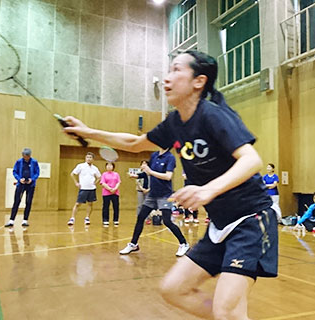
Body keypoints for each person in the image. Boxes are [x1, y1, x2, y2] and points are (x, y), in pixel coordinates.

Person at [61, 50, 277, 319]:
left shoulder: (212, 115)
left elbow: (251, 160)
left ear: (198, 81)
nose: (167, 78)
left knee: (226, 310)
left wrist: (209, 189)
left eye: (176, 70)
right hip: (220, 225)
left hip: (250, 219)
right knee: (174, 290)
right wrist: (87, 131)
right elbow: (134, 143)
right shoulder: (175, 123)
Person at [123, 148, 189, 256]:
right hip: (152, 195)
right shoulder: (154, 155)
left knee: (167, 221)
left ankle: (184, 243)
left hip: (165, 195)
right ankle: (133, 244)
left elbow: (168, 176)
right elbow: (149, 173)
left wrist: (150, 171)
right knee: (141, 217)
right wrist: (138, 175)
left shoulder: (170, 157)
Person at [5, 148, 40, 227]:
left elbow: (37, 172)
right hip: (21, 184)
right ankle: (11, 220)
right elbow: (14, 171)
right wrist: (19, 179)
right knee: (17, 201)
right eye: (24, 156)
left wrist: (32, 179)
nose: (25, 157)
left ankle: (25, 220)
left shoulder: (34, 162)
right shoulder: (19, 162)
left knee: (28, 202)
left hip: (30, 185)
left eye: (26, 156)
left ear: (29, 156)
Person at [68, 152, 101, 226]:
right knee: (77, 204)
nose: (89, 159)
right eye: (87, 157)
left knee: (90, 203)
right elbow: (72, 174)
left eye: (90, 157)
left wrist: (95, 183)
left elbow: (99, 177)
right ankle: (72, 218)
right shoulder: (80, 166)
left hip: (92, 189)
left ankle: (87, 218)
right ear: (85, 158)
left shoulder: (95, 168)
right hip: (83, 188)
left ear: (93, 159)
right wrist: (76, 183)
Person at [100, 162, 121, 226]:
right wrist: (109, 189)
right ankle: (105, 220)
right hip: (106, 193)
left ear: (113, 167)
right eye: (108, 165)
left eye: (110, 165)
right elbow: (103, 183)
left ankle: (116, 220)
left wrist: (115, 189)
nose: (109, 166)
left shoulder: (116, 174)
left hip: (115, 192)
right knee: (106, 206)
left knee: (116, 206)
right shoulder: (104, 174)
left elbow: (118, 182)